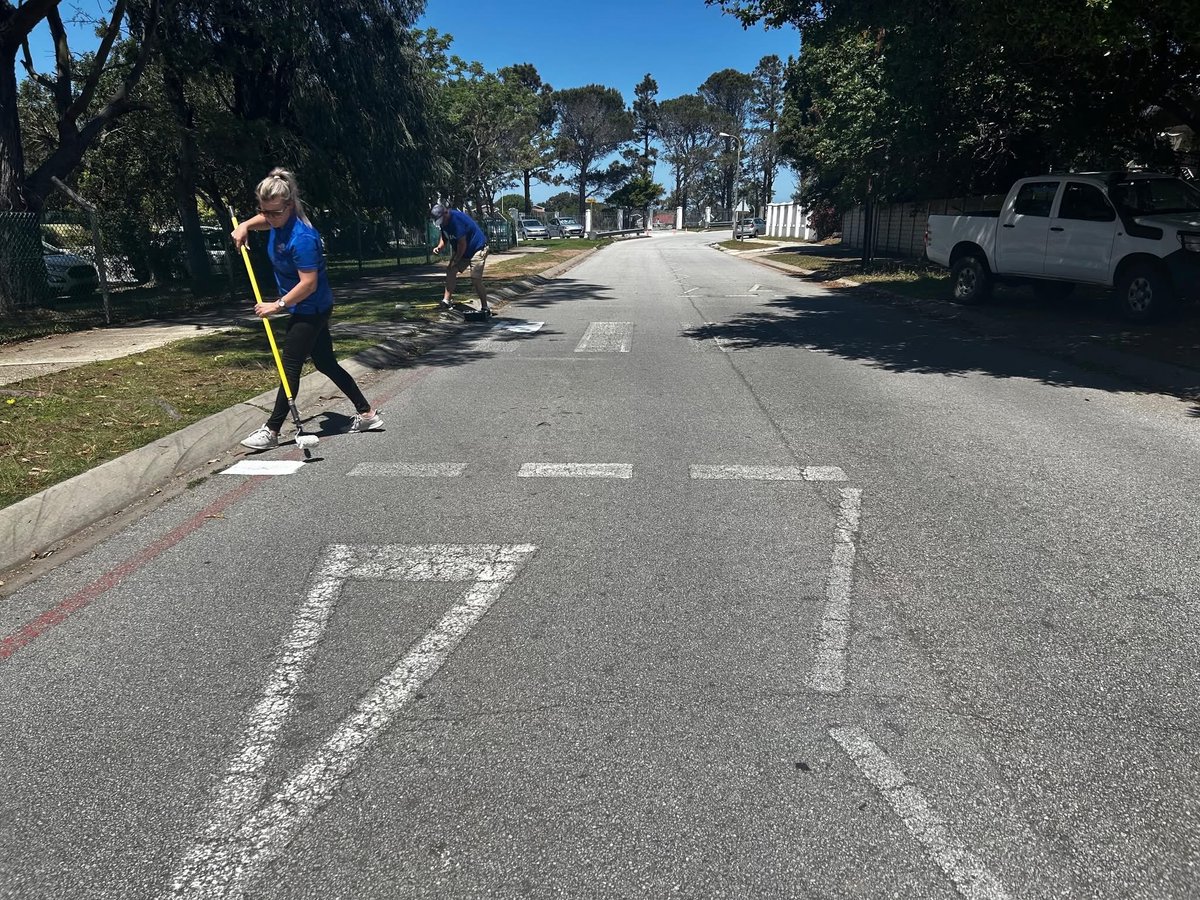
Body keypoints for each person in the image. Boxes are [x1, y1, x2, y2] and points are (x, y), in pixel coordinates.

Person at [231, 168, 382, 450]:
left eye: (275, 212)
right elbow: (264, 220)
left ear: (289, 205)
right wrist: (245, 225)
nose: (269, 218)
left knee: (290, 365)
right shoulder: (277, 222)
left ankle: (272, 430)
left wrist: (277, 305)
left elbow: (309, 284)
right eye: (264, 211)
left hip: (310, 307)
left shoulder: (302, 238)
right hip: (307, 306)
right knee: (325, 363)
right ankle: (367, 414)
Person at [431, 203, 492, 318]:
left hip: (477, 249)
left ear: (445, 213)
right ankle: (446, 301)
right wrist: (439, 247)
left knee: (475, 279)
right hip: (464, 251)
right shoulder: (444, 223)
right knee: (450, 271)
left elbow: (462, 245)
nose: (441, 223)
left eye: (441, 220)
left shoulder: (456, 220)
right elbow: (444, 236)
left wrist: (456, 260)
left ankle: (485, 307)